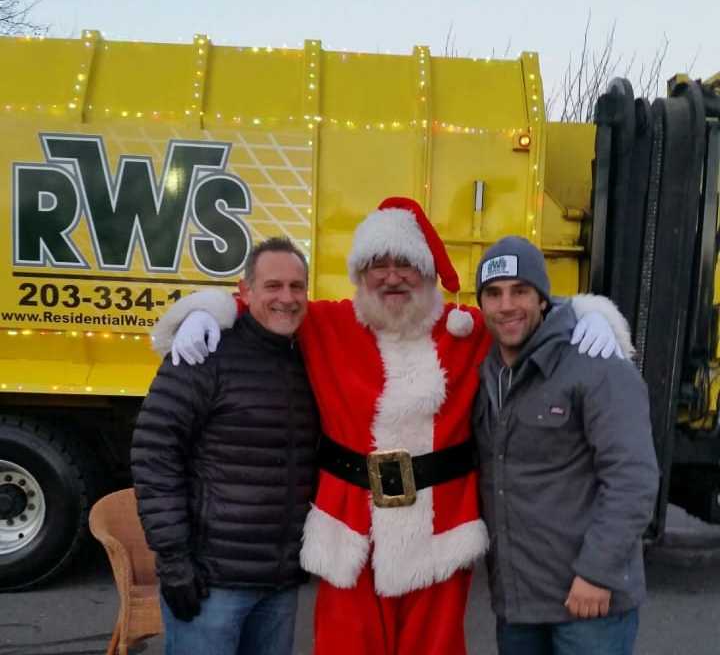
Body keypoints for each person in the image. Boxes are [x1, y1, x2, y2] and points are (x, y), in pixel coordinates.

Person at [155, 197, 628, 655]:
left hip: (441, 531)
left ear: (426, 271)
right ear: (361, 273)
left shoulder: (466, 330)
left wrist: (587, 315)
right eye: (378, 264)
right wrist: (205, 310)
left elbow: (525, 313)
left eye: (405, 262)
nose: (392, 276)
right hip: (350, 527)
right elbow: (268, 304)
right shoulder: (329, 323)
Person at [131, 237, 319, 655]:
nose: (286, 298)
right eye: (273, 286)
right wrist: (174, 558)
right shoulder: (205, 351)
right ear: (246, 291)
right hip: (212, 582)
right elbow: (153, 453)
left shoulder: (308, 357)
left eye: (296, 287)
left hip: (280, 583)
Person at [473, 236, 659, 655]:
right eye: (494, 294)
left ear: (543, 299)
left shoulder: (596, 365)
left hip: (588, 604)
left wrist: (597, 573)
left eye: (521, 291)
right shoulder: (486, 372)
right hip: (520, 605)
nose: (506, 306)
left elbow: (633, 478)